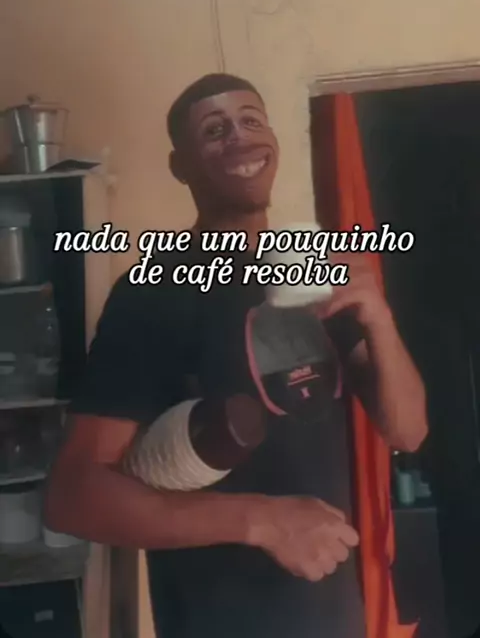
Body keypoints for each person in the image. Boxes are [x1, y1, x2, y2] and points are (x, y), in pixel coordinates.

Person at [44, 73, 428, 638]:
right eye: (214, 129)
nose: (240, 138)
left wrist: (379, 319)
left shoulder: (310, 270)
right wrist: (262, 521)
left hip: (335, 619)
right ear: (180, 166)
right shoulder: (155, 289)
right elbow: (72, 496)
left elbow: (409, 431)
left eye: (251, 121)